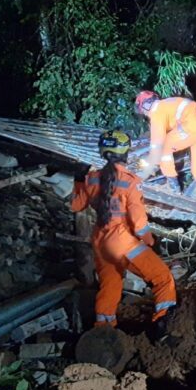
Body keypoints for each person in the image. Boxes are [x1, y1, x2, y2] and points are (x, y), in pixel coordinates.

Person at [71, 130, 176, 340]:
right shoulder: (130, 181)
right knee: (163, 278)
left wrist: (79, 180)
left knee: (110, 285)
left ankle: (102, 333)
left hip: (100, 242)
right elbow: (138, 222)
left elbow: (76, 206)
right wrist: (149, 241)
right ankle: (162, 328)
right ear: (126, 152)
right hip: (123, 242)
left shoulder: (91, 179)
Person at [134, 90, 196, 216]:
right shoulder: (168, 103)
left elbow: (157, 144)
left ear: (145, 106)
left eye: (143, 111)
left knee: (164, 148)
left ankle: (173, 187)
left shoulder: (157, 112)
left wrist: (146, 171)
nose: (145, 114)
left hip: (192, 128)